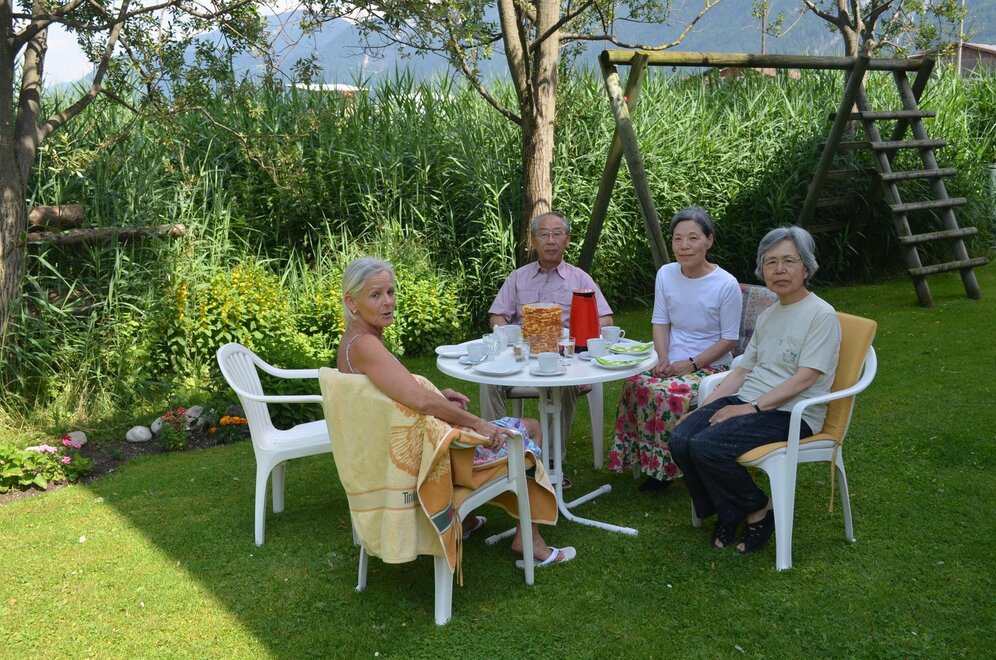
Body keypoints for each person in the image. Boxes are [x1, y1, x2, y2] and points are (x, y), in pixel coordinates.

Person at [337, 256, 576, 567]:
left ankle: (467, 520)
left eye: (391, 292)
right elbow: (420, 402)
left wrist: (438, 394)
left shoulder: (355, 342)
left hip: (401, 453)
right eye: (375, 295)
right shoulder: (365, 345)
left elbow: (398, 394)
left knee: (507, 426)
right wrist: (479, 425)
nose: (388, 302)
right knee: (528, 429)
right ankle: (530, 540)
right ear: (351, 302)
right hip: (428, 462)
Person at [669, 226, 841, 554]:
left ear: (806, 268)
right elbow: (742, 371)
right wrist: (702, 409)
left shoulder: (821, 315)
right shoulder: (770, 314)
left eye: (789, 261)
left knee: (706, 445)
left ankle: (759, 510)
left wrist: (749, 408)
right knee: (681, 437)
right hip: (751, 400)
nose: (779, 269)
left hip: (792, 412)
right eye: (771, 262)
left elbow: (804, 379)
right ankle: (734, 509)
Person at [606, 206, 742, 492]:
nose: (684, 246)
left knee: (667, 395)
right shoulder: (666, 274)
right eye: (677, 239)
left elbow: (729, 340)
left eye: (693, 238)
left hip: (711, 364)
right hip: (672, 359)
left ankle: (665, 470)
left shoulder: (726, 284)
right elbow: (660, 321)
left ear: (709, 241)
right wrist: (662, 358)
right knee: (634, 384)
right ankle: (643, 458)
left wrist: (691, 364)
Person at [484, 210, 614, 479]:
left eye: (557, 234)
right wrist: (508, 334)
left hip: (562, 358)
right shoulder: (518, 277)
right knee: (488, 381)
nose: (551, 240)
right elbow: (497, 315)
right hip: (522, 357)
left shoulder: (580, 279)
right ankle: (496, 452)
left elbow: (606, 318)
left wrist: (576, 333)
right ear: (533, 241)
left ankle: (552, 461)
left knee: (567, 385)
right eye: (543, 234)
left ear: (567, 240)